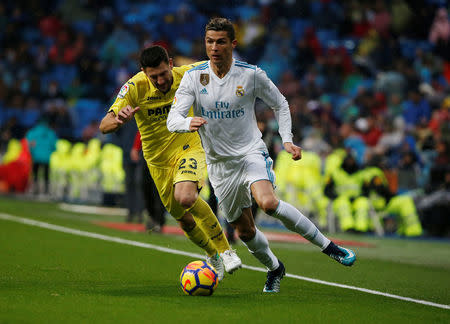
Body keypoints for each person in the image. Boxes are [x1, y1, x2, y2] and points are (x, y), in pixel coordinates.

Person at [167, 17, 356, 293]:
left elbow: (280, 103)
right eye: (209, 42)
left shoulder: (251, 74)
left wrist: (287, 139)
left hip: (250, 153)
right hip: (220, 166)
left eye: (220, 42)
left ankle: (329, 246)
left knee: (267, 203)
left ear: (233, 43)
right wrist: (188, 123)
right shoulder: (194, 78)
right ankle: (274, 268)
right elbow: (173, 119)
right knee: (245, 232)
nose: (214, 47)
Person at [99, 45, 241, 281]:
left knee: (186, 197)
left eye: (163, 73)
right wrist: (118, 121)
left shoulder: (188, 74)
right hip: (157, 161)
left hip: (188, 146)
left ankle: (226, 251)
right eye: (153, 76)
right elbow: (104, 125)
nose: (160, 80)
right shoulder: (134, 87)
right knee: (183, 218)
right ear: (144, 72)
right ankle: (212, 255)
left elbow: (222, 64)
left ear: (171, 64)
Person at [130, 131, 166, 232]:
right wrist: (136, 147)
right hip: (147, 153)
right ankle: (152, 217)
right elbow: (142, 129)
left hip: (163, 153)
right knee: (145, 186)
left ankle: (159, 221)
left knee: (158, 189)